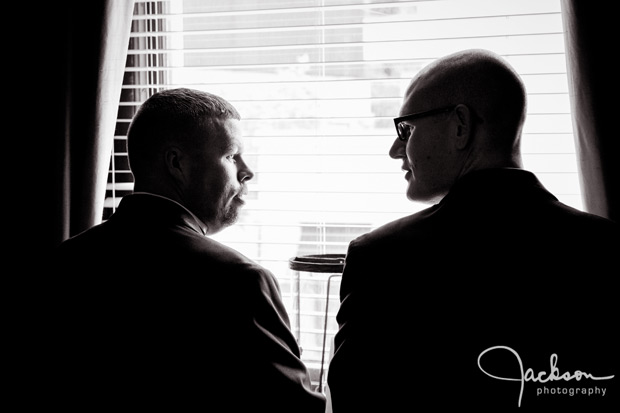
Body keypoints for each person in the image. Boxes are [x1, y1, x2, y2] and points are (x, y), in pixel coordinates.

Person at [327, 49, 618, 411]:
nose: (394, 149)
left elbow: (357, 402)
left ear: (460, 126)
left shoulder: (382, 258)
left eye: (407, 128)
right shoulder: (610, 247)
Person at [54, 88, 326, 412]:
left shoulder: (60, 262)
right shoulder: (239, 282)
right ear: (176, 164)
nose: (247, 170)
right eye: (231, 156)